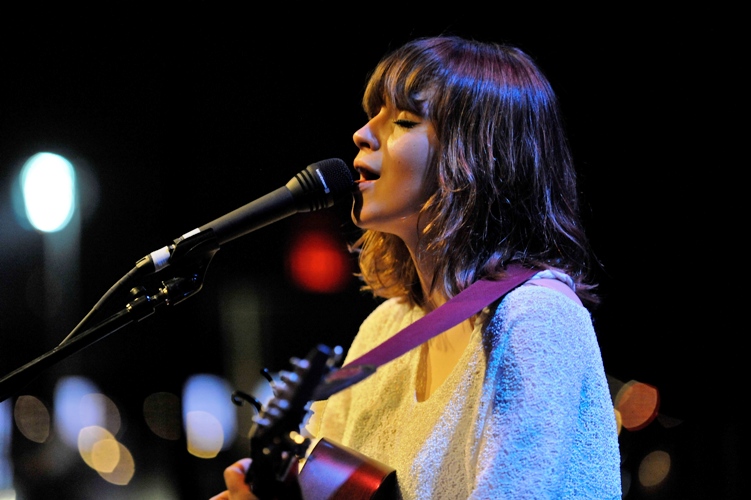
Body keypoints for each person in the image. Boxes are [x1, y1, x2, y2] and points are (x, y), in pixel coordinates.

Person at [211, 34, 622, 499]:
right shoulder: (384, 330)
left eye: (404, 120)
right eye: (373, 115)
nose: (362, 134)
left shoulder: (535, 321)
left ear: (478, 157)